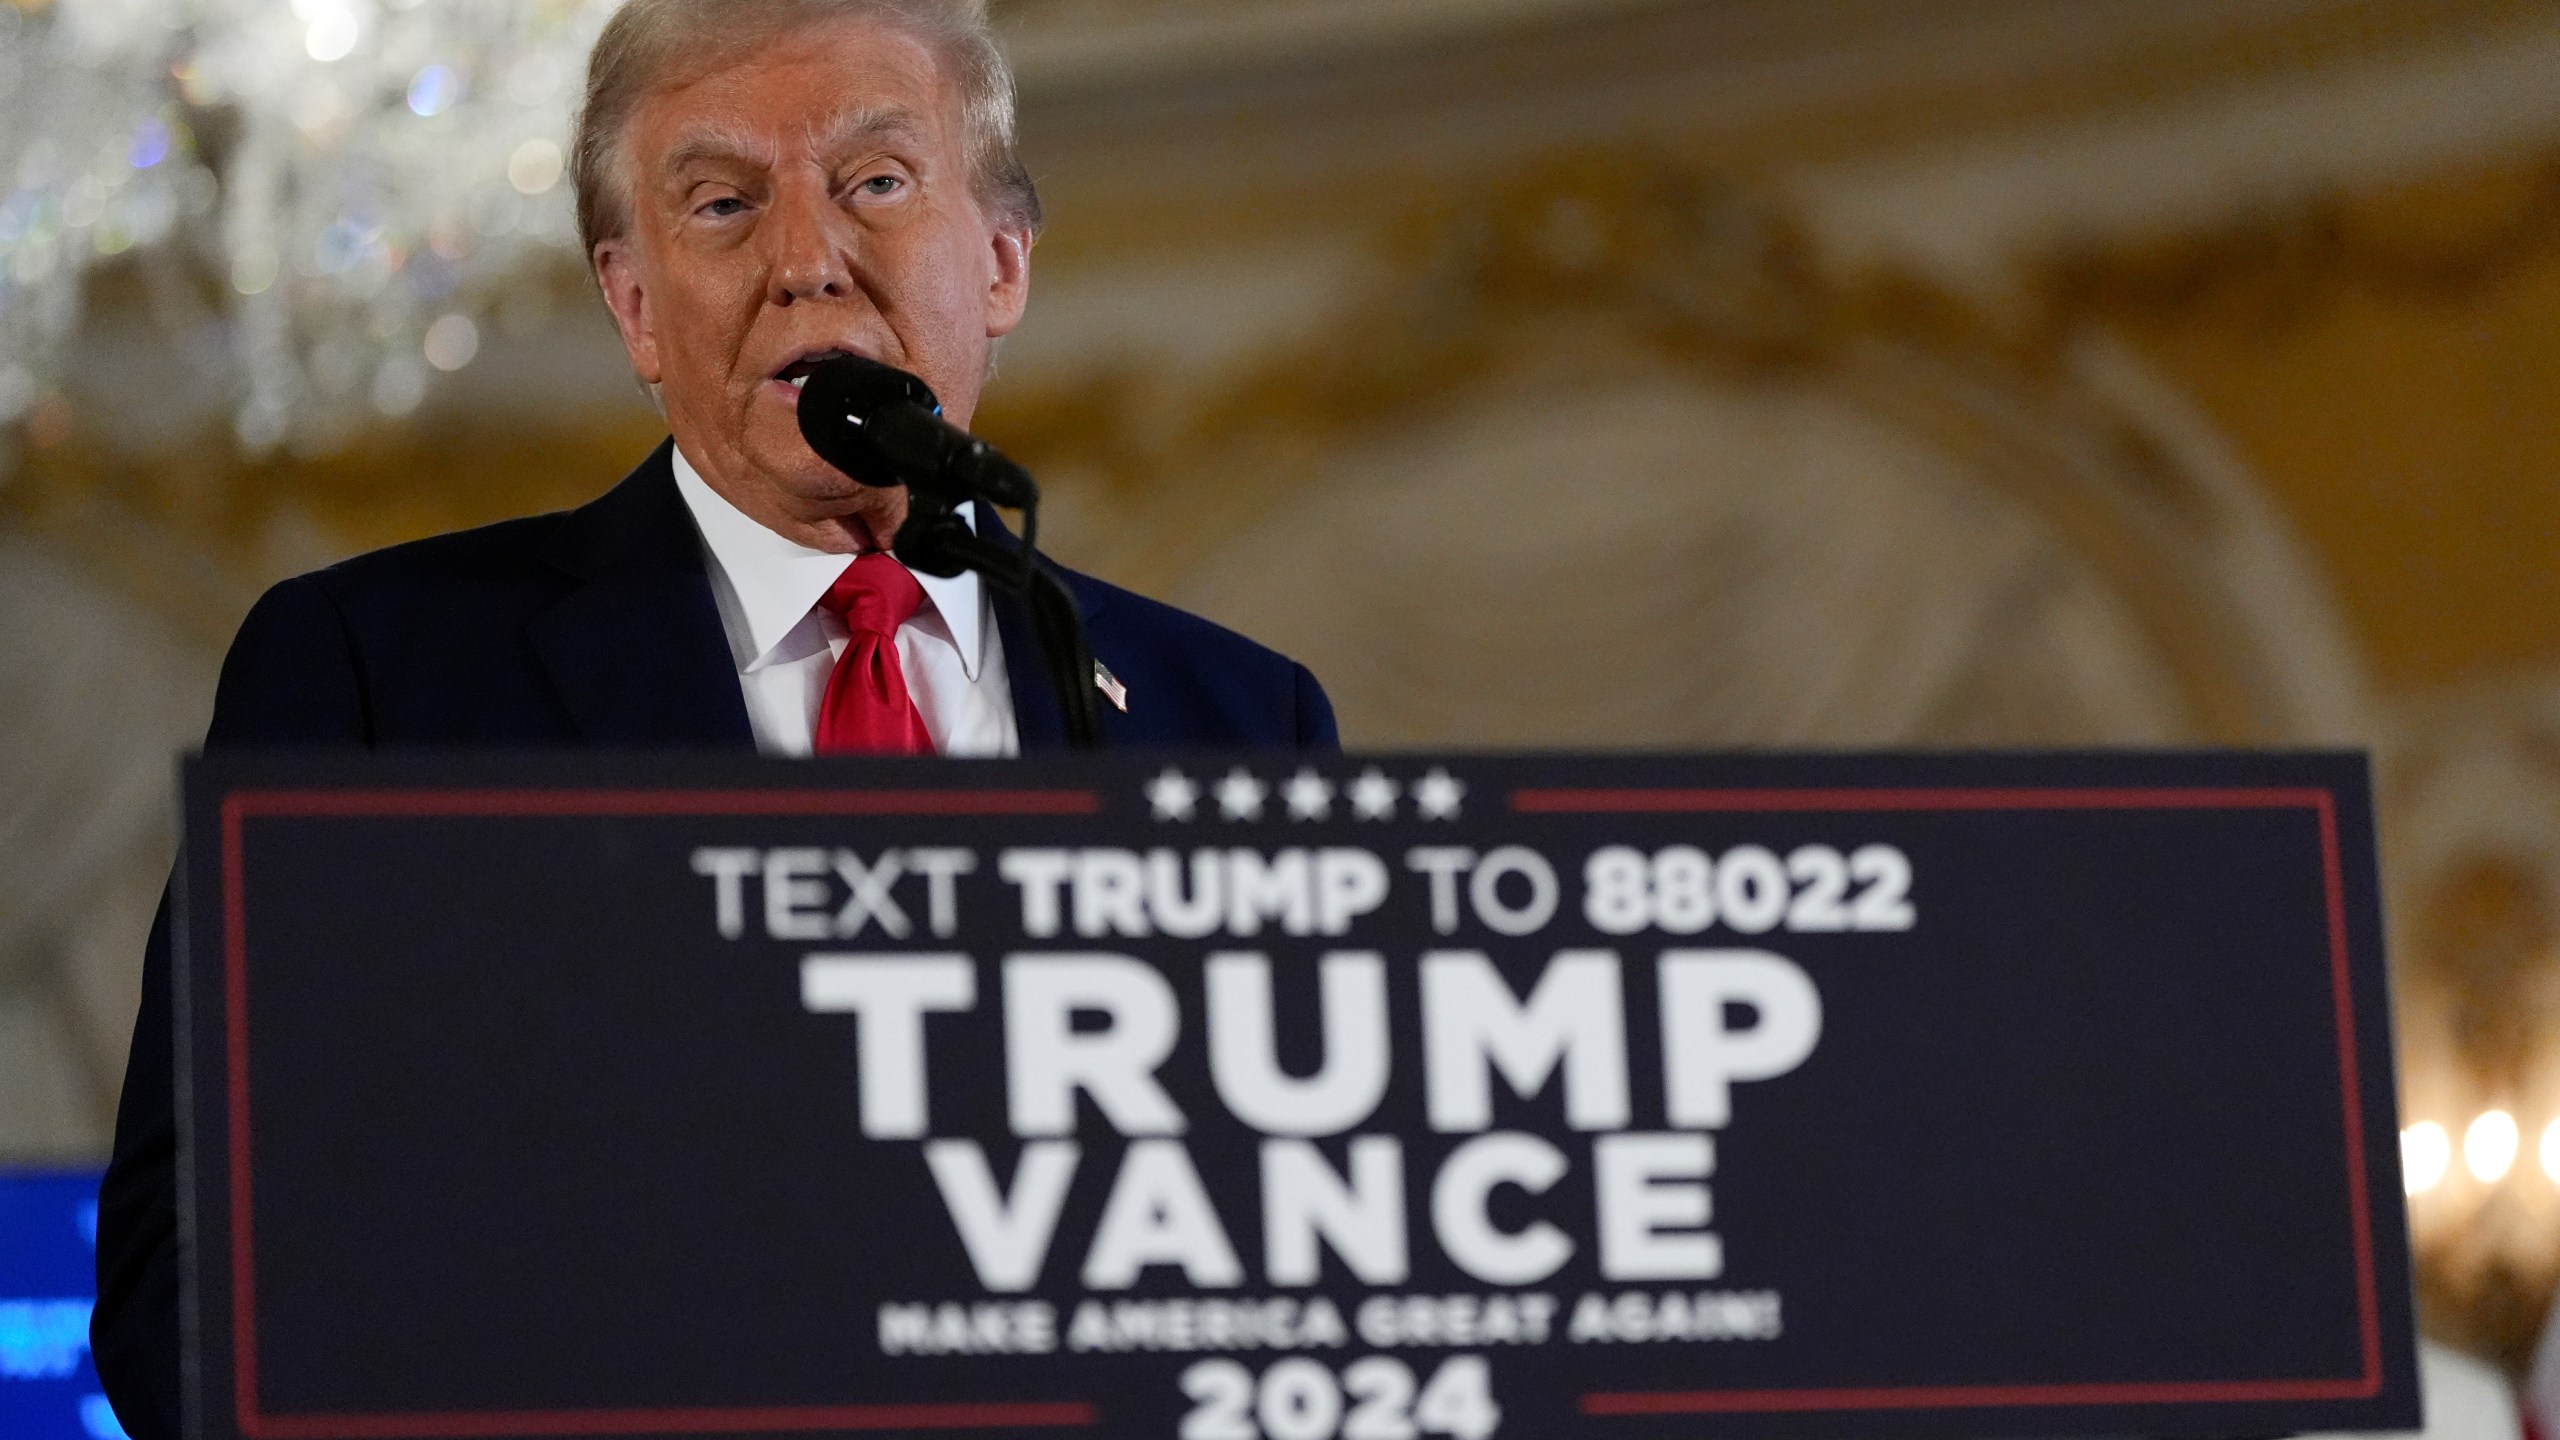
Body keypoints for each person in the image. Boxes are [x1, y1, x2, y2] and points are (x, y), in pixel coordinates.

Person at [89, 1, 1335, 1432]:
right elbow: (188, 1291)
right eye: (724, 203)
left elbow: (1303, 1255)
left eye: (876, 182)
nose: (806, 261)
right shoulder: (383, 676)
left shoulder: (1238, 716)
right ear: (634, 306)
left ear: (1000, 262)